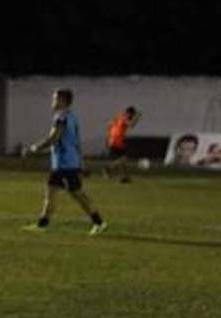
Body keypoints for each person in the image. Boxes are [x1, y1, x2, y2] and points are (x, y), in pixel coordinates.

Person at [22, 88, 107, 235]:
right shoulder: (72, 117)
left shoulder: (61, 117)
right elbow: (74, 142)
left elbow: (54, 138)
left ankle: (99, 222)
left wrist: (34, 148)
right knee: (51, 192)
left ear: (62, 101)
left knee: (77, 194)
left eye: (55, 99)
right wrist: (81, 163)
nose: (53, 101)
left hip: (65, 164)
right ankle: (43, 224)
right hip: (64, 163)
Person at [104, 106, 141, 182]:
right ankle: (109, 168)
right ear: (129, 113)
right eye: (132, 115)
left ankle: (124, 177)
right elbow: (131, 125)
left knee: (123, 159)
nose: (132, 117)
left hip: (114, 139)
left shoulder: (118, 116)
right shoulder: (124, 117)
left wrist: (108, 137)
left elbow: (109, 125)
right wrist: (137, 118)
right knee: (123, 159)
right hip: (117, 140)